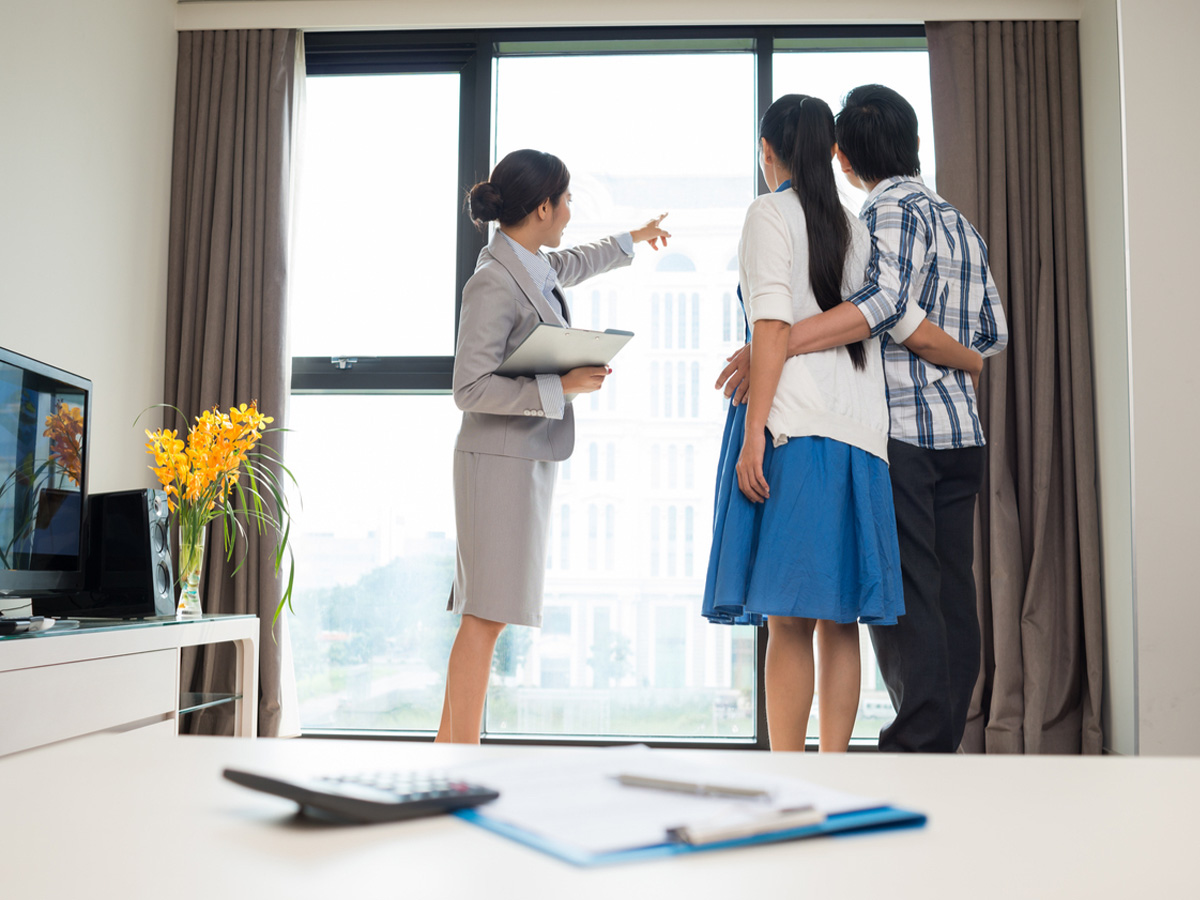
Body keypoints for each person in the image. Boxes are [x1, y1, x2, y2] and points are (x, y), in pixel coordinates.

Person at [719, 85, 1009, 753]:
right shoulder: (959, 223)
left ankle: (915, 747)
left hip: (901, 429)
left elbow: (880, 306)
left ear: (845, 156)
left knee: (895, 608)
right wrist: (964, 357)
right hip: (959, 434)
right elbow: (988, 333)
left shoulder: (879, 217)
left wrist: (780, 340)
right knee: (944, 600)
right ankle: (929, 742)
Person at [702, 93, 915, 753]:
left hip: (794, 431)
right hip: (860, 438)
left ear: (768, 153)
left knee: (790, 620)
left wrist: (754, 432)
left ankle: (787, 773)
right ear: (831, 150)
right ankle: (834, 770)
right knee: (839, 618)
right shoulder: (856, 227)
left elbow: (771, 327)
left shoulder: (769, 212)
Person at [436, 148, 670, 744]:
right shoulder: (492, 281)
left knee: (490, 614)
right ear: (542, 207)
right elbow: (469, 387)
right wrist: (558, 386)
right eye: (565, 200)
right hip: (496, 464)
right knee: (485, 615)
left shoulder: (531, 263)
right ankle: (453, 756)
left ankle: (452, 751)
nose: (570, 209)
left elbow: (573, 262)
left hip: (520, 461)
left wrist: (633, 239)